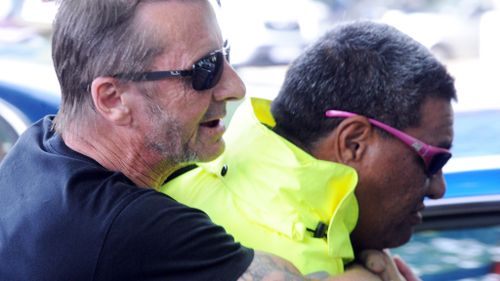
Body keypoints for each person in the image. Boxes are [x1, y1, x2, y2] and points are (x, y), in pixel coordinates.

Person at [0, 1, 404, 280]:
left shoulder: (37, 148)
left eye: (225, 55)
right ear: (113, 99)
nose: (235, 87)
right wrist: (372, 269)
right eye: (204, 70)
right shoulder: (129, 226)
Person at [162, 20, 456, 278]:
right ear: (353, 143)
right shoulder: (305, 264)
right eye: (432, 160)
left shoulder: (175, 181)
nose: (438, 188)